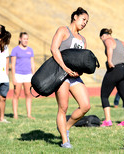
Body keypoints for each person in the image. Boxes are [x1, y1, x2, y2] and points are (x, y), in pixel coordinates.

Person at [50, 7, 90, 148]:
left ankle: (65, 127)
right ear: (75, 17)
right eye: (83, 19)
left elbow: (83, 61)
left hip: (74, 77)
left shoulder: (83, 39)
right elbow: (54, 49)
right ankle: (65, 141)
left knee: (85, 106)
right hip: (61, 74)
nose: (84, 23)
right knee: (63, 108)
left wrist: (81, 71)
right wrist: (65, 68)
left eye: (86, 21)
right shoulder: (63, 30)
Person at [100, 28, 124, 127]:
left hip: (115, 69)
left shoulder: (107, 40)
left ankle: (107, 121)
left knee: (104, 95)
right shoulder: (120, 42)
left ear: (102, 36)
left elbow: (109, 47)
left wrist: (109, 60)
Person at [11, 32, 35, 120]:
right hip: (18, 75)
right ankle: (15, 114)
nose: (26, 40)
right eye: (24, 39)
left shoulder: (30, 50)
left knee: (28, 94)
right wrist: (13, 77)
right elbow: (12, 65)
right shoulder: (15, 50)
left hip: (28, 75)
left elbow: (32, 63)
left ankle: (29, 114)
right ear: (20, 39)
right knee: (16, 94)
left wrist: (33, 75)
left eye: (27, 39)